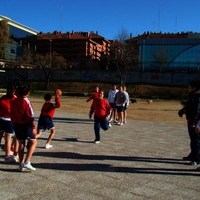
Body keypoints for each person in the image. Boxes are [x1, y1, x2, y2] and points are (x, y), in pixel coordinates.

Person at [11, 83, 37, 171]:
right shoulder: (26, 101)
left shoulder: (14, 101)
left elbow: (12, 113)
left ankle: (20, 164)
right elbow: (30, 116)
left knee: (21, 144)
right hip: (25, 125)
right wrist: (33, 127)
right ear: (28, 93)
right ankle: (27, 162)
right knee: (34, 142)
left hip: (16, 125)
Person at [178, 80, 200, 165]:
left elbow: (197, 110)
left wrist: (194, 122)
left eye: (189, 87)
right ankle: (193, 154)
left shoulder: (197, 96)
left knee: (196, 140)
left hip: (196, 121)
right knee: (193, 139)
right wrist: (182, 111)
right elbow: (189, 106)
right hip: (192, 120)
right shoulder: (193, 95)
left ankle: (197, 159)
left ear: (194, 87)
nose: (188, 88)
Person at [0, 83, 18, 163]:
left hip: (1, 119)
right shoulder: (15, 99)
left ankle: (7, 155)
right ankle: (7, 156)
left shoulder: (3, 98)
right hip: (9, 121)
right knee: (8, 140)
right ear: (14, 91)